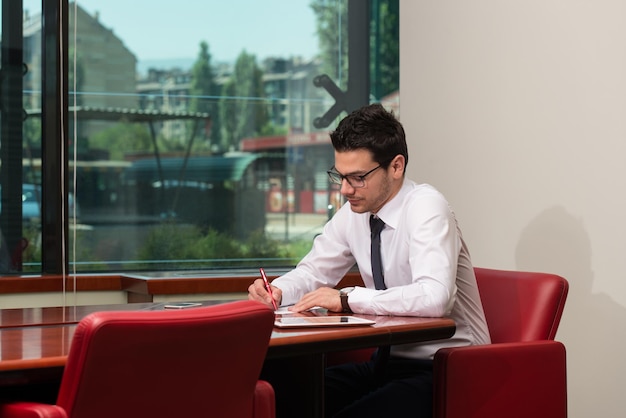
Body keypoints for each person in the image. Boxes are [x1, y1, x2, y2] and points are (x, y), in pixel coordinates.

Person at [248, 103, 490, 418]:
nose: (346, 189)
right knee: (283, 398)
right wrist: (278, 290)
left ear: (396, 166)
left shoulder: (426, 207)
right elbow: (313, 271)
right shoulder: (354, 212)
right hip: (386, 363)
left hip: (448, 366)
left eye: (358, 177)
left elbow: (435, 299)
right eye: (340, 176)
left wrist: (347, 299)